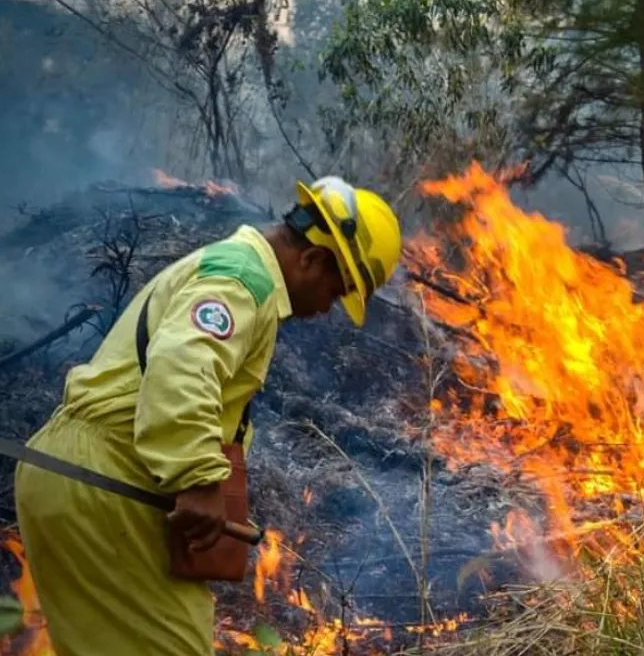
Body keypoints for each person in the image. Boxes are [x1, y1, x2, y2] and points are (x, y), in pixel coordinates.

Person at [13, 177, 402, 656]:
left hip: (87, 477)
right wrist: (198, 478)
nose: (327, 309)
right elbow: (182, 361)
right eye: (337, 290)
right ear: (314, 259)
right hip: (105, 477)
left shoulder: (236, 269)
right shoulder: (243, 279)